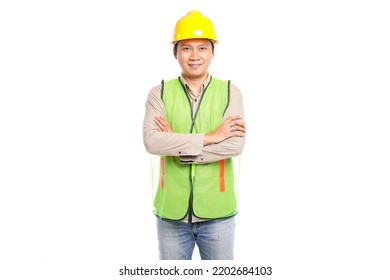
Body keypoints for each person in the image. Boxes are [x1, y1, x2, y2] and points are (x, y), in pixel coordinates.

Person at [142, 10, 246, 260]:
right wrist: (210, 137)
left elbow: (234, 145)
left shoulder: (231, 92)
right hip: (171, 214)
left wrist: (180, 150)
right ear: (175, 52)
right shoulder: (160, 93)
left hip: (218, 214)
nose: (195, 56)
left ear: (212, 51)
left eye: (202, 48)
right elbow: (152, 141)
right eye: (187, 48)